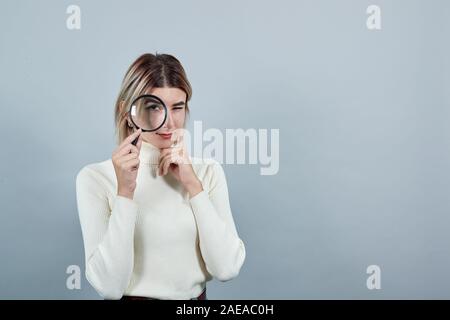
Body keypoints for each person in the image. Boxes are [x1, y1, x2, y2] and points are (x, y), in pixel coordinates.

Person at [75, 53, 246, 300]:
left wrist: (193, 186)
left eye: (177, 107)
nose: (167, 122)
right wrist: (125, 192)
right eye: (154, 107)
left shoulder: (208, 172)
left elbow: (227, 268)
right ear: (127, 111)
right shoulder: (94, 178)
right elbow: (109, 287)